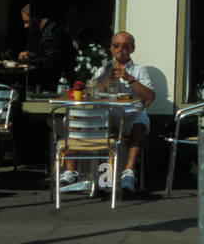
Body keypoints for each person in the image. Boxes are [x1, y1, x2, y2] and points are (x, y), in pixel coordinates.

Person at [60, 31, 155, 193]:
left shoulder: (140, 71)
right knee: (73, 116)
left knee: (141, 118)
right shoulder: (103, 70)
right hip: (106, 114)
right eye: (116, 46)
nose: (120, 50)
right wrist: (107, 79)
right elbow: (91, 94)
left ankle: (128, 174)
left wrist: (129, 78)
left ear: (132, 49)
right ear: (111, 49)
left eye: (125, 47)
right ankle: (71, 172)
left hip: (129, 114)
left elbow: (150, 97)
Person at [17, 4, 71, 91]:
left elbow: (49, 62)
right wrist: (33, 55)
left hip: (57, 84)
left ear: (36, 18)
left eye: (27, 21)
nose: (25, 26)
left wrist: (28, 60)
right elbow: (49, 54)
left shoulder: (49, 34)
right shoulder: (51, 27)